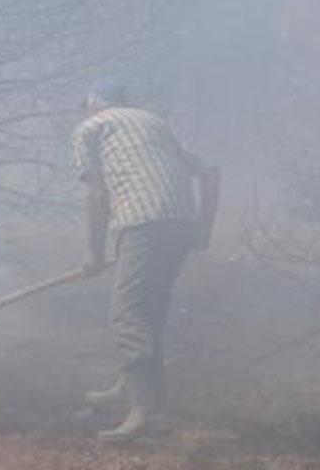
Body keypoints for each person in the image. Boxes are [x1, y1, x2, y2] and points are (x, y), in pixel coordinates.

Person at [72, 79, 221, 444]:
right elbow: (211, 173)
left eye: (86, 104)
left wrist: (94, 251)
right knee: (149, 310)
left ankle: (142, 412)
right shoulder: (153, 122)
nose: (84, 110)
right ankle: (129, 389)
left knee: (127, 315)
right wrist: (203, 228)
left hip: (142, 222)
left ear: (95, 104)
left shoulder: (90, 128)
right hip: (180, 222)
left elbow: (97, 193)